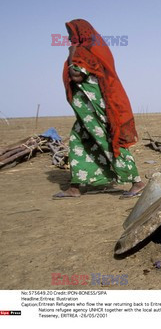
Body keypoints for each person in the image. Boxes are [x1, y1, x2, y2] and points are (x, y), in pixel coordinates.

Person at [53, 19, 145, 198]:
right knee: (78, 143)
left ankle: (137, 181)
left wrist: (71, 52)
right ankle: (76, 186)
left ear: (81, 33)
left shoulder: (84, 51)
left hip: (93, 110)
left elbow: (76, 76)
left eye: (71, 33)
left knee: (108, 141)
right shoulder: (88, 49)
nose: (69, 37)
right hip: (84, 113)